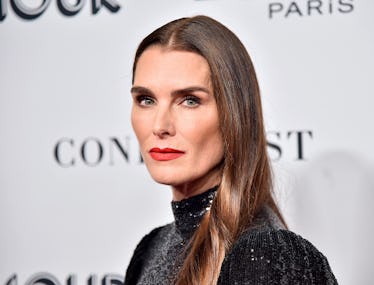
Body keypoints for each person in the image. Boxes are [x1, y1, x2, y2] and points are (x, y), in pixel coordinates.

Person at [124, 15, 337, 285]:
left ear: (235, 115)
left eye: (190, 100)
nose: (160, 125)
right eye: (146, 99)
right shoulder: (151, 248)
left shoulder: (265, 255)